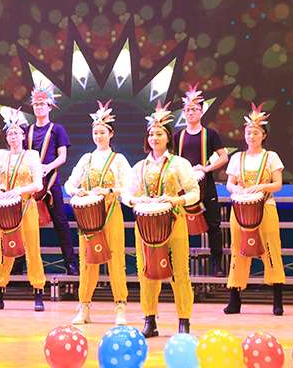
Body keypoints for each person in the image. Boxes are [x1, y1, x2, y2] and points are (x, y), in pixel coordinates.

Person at [122, 102, 198, 337]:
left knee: (180, 272)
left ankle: (184, 320)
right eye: (151, 134)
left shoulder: (179, 164)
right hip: (145, 227)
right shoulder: (139, 167)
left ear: (168, 137)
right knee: (146, 272)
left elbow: (194, 193)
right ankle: (149, 320)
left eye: (159, 134)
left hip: (174, 222)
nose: (154, 138)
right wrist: (137, 200)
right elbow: (126, 194)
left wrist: (176, 200)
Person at [64, 101, 131, 326]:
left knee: (116, 260)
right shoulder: (87, 159)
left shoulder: (118, 159)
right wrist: (77, 191)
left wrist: (109, 191)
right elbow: (69, 183)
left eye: (102, 132)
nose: (98, 136)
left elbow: (129, 187)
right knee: (87, 261)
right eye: (95, 132)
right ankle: (84, 307)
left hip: (111, 213)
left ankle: (120, 307)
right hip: (89, 218)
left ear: (111, 134)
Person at [223, 103, 286, 316]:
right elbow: (229, 183)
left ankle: (277, 299)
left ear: (263, 135)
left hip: (265, 207)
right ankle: (234, 298)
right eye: (248, 132)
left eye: (256, 132)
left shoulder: (271, 157)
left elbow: (278, 184)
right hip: (240, 210)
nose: (251, 136)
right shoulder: (237, 158)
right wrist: (237, 189)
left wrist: (261, 187)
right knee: (238, 249)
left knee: (270, 249)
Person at [0, 108, 46, 312]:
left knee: (32, 249)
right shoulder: (2, 157)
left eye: (17, 133)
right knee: (4, 250)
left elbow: (38, 184)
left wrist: (18, 190)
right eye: (10, 133)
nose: (13, 136)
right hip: (6, 209)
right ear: (6, 137)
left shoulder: (32, 156)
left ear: (23, 135)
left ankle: (38, 292)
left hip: (26, 206)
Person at [176, 84, 228, 276]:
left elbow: (224, 157)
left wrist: (206, 168)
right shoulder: (178, 136)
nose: (191, 112)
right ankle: (178, 264)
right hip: (184, 188)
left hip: (207, 185)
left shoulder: (210, 134)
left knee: (213, 225)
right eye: (188, 109)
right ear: (184, 112)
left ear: (202, 111)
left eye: (195, 109)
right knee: (178, 225)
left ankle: (217, 264)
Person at [27, 82, 77, 275]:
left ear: (49, 106)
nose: (39, 107)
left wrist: (47, 167)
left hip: (51, 183)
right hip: (31, 184)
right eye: (36, 104)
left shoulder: (57, 129)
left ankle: (70, 263)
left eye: (42, 104)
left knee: (60, 223)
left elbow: (62, 156)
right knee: (26, 225)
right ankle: (21, 265)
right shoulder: (28, 130)